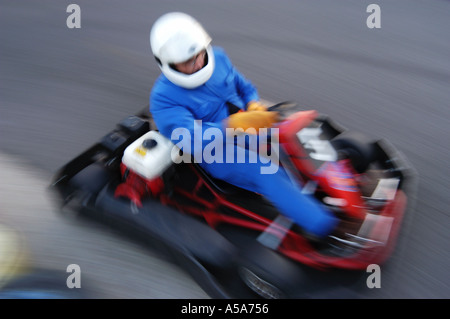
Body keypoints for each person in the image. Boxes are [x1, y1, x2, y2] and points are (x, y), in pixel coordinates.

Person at [149, 12, 337, 239]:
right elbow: (188, 138)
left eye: (199, 54)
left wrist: (253, 103)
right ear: (167, 64)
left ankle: (341, 187)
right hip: (213, 151)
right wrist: (232, 125)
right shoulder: (163, 98)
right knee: (266, 171)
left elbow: (244, 87)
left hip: (246, 124)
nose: (198, 62)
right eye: (188, 61)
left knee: (296, 136)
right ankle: (326, 228)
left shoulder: (217, 57)